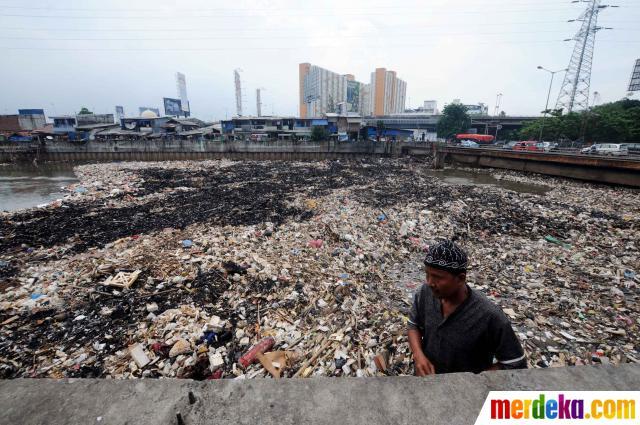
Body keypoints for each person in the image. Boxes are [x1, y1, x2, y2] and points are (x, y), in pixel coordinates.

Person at [407, 239, 527, 375]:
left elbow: (515, 363)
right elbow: (414, 325)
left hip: (466, 394)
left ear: (461, 278)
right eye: (427, 274)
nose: (429, 282)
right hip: (426, 382)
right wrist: (418, 355)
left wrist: (472, 381)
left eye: (437, 277)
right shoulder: (425, 293)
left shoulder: (489, 315)